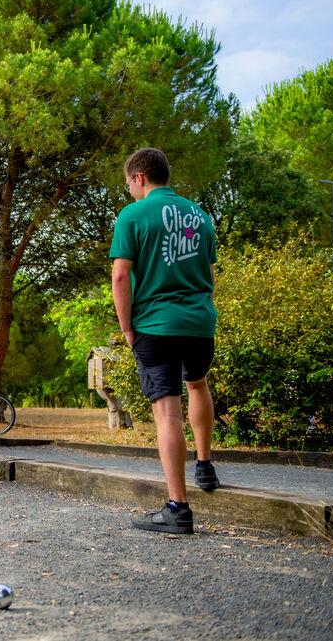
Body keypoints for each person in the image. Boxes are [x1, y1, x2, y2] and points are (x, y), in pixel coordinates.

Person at [109, 147, 221, 535]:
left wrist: (127, 328)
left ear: (139, 177)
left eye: (129, 185)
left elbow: (121, 277)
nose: (130, 192)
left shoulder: (133, 215)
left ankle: (178, 508)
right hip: (199, 322)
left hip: (155, 324)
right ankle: (204, 463)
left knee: (166, 413)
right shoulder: (201, 216)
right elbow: (207, 271)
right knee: (198, 383)